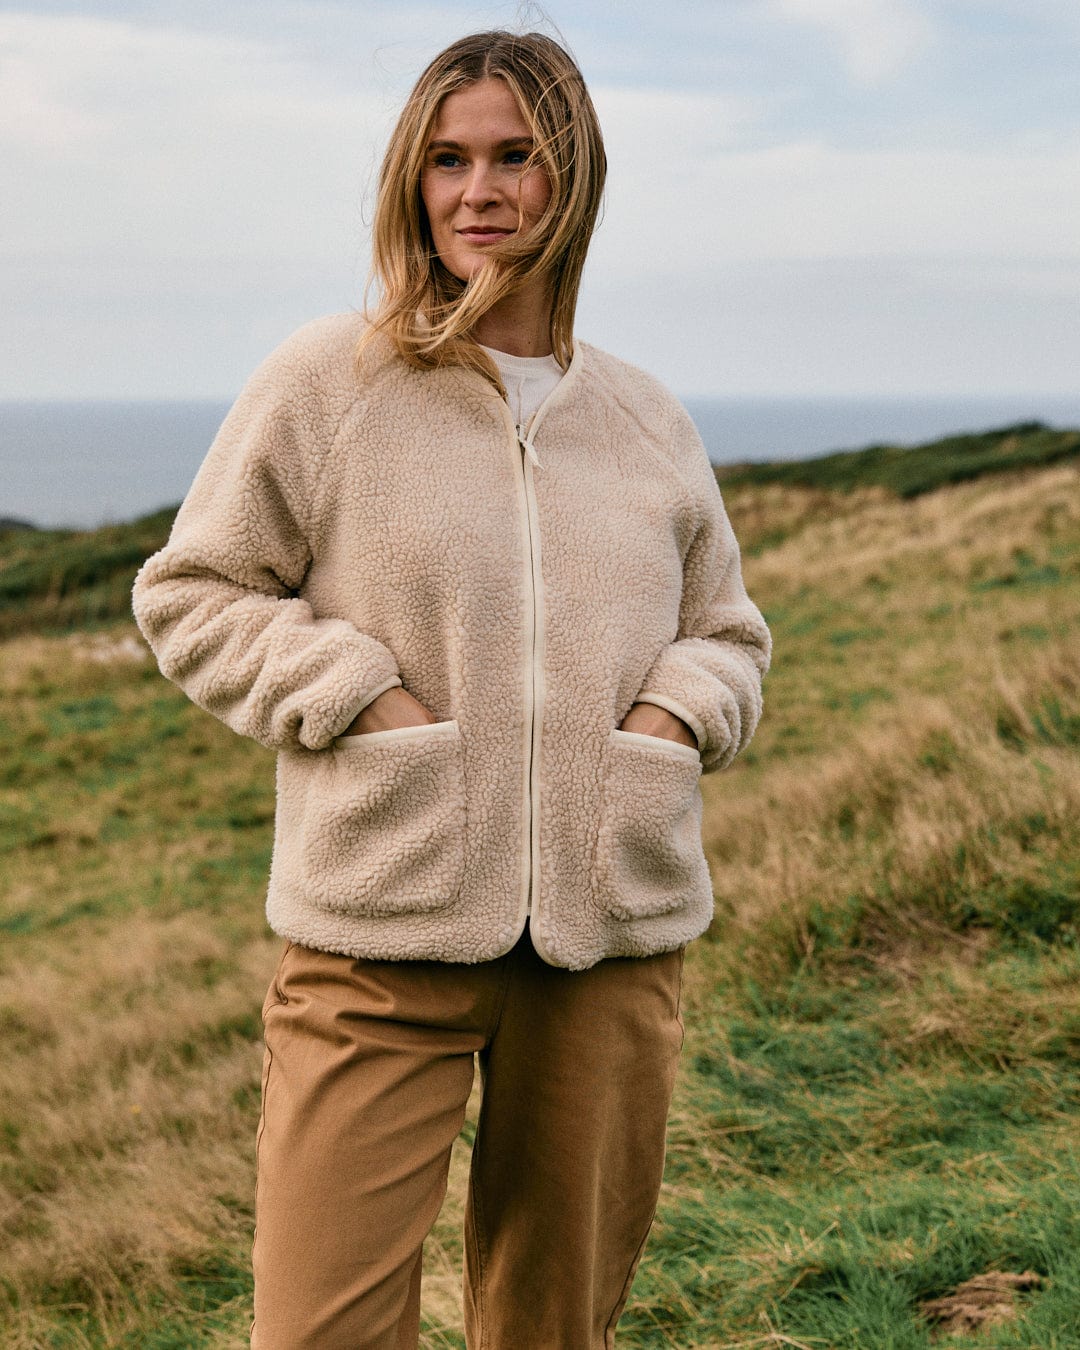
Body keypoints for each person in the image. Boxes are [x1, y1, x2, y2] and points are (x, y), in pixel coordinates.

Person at [132, 28, 771, 1350]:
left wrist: (664, 725)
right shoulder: (333, 379)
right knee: (321, 1330)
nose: (478, 189)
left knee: (555, 1327)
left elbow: (730, 634)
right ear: (412, 184)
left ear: (571, 176)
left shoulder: (648, 420)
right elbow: (191, 592)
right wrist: (359, 691)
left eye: (514, 157)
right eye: (447, 159)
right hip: (377, 929)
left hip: (607, 944)